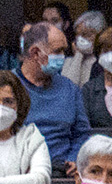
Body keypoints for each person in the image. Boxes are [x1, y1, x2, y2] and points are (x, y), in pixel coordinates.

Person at [17, 22, 93, 174]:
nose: (62, 57)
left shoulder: (70, 89)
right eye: (57, 51)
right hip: (21, 172)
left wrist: (74, 157)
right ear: (35, 53)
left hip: (62, 172)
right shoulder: (7, 87)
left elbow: (82, 133)